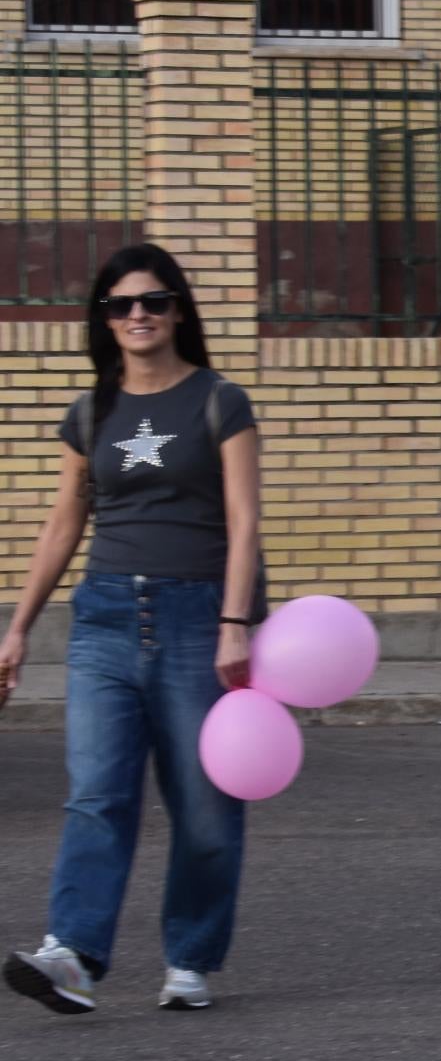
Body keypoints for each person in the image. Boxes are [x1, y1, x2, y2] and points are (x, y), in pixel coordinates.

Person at [2, 246, 261, 1016]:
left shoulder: (219, 400)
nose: (137, 316)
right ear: (104, 321)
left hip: (196, 616)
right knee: (96, 794)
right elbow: (62, 524)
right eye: (120, 306)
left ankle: (190, 958)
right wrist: (17, 629)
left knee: (206, 804)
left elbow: (246, 521)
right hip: (105, 617)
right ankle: (73, 957)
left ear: (178, 310)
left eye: (152, 302)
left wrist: (234, 623)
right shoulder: (92, 412)